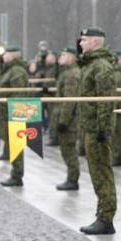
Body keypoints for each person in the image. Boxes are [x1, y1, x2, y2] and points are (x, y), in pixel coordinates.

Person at [77, 28, 120, 234]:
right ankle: (102, 214)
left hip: (97, 129)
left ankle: (106, 217)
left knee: (102, 173)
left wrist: (103, 128)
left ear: (95, 42)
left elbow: (105, 101)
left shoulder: (101, 66)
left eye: (84, 40)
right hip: (89, 127)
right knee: (96, 173)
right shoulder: (90, 65)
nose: (81, 43)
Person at [0, 46, 30, 187]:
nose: (3, 56)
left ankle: (17, 175)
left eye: (6, 53)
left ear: (13, 56)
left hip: (13, 114)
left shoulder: (17, 71)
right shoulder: (8, 70)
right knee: (11, 145)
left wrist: (15, 116)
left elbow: (19, 95)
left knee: (15, 145)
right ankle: (15, 173)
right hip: (5, 113)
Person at [54, 47, 82, 191]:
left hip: (70, 119)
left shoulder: (72, 74)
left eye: (65, 54)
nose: (61, 56)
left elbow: (69, 100)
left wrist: (64, 121)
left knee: (69, 149)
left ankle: (73, 179)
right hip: (67, 116)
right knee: (66, 148)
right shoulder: (66, 72)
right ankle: (71, 177)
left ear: (73, 57)